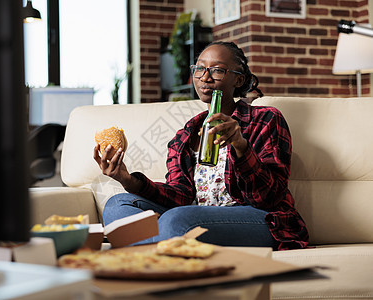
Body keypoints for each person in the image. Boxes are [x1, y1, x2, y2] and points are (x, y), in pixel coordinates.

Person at [93, 41, 309, 250]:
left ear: (239, 80)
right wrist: (127, 179)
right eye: (199, 68)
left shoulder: (265, 120)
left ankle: (156, 244)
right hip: (194, 216)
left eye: (217, 70)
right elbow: (180, 195)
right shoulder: (183, 137)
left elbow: (268, 197)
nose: (205, 77)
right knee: (117, 205)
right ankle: (168, 246)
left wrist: (241, 146)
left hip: (259, 219)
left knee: (177, 219)